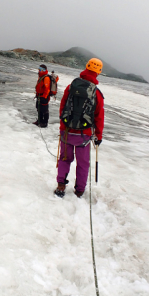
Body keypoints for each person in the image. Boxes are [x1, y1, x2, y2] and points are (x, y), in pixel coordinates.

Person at [54, 58, 105, 198]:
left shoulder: (71, 87)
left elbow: (63, 107)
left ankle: (61, 186)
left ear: (86, 67)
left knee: (64, 159)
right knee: (83, 163)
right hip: (84, 135)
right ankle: (79, 191)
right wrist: (98, 137)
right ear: (98, 72)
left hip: (66, 132)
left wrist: (63, 127)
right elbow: (99, 117)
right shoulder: (97, 93)